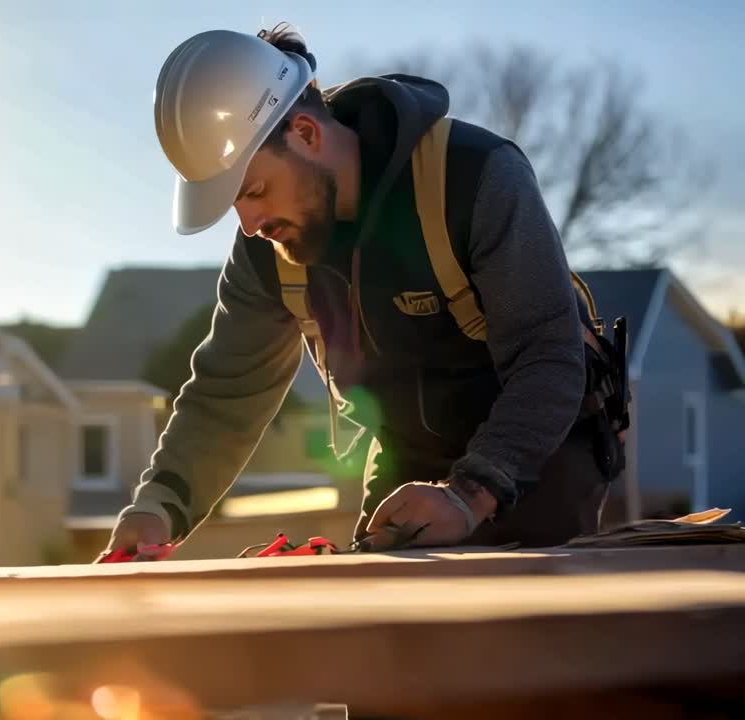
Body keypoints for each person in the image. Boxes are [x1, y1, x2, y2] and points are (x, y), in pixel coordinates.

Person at [102, 24, 629, 557]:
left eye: (254, 190)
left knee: (524, 619)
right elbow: (227, 395)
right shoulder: (267, 251)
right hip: (409, 457)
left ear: (305, 133)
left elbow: (548, 356)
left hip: (538, 448)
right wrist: (157, 506)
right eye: (233, 204)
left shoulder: (474, 178)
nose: (249, 222)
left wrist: (469, 496)